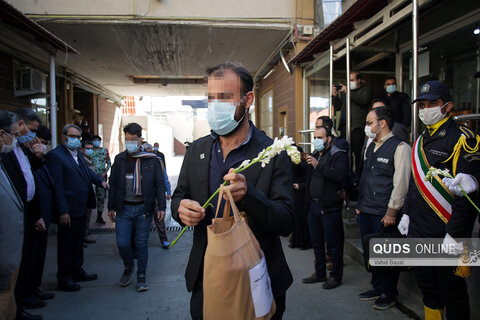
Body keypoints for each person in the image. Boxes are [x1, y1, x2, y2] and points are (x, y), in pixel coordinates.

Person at [171, 62, 294, 319]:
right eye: (211, 98)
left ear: (248, 99)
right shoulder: (197, 150)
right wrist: (180, 210)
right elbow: (179, 197)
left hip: (257, 278)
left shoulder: (272, 153)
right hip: (207, 279)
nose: (215, 106)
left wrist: (250, 195)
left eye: (224, 97)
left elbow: (286, 221)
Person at [399, 81, 480, 320]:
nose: (426, 109)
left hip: (448, 232)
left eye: (432, 104)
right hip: (421, 229)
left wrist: (456, 235)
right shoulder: (420, 140)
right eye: (422, 105)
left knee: (453, 292)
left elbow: (468, 196)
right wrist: (406, 213)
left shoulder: (464, 139)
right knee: (428, 289)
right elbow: (415, 184)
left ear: (447, 106)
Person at [356, 107, 411, 310]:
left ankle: (389, 293)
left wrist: (392, 212)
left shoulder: (400, 147)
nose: (367, 127)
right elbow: (364, 178)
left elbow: (401, 183)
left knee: (387, 255)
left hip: (384, 213)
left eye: (370, 122)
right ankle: (377, 287)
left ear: (383, 123)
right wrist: (359, 205)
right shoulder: (371, 146)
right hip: (367, 209)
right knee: (371, 252)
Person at [46, 124, 108, 292]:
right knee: (67, 245)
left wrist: (101, 182)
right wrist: (62, 210)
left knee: (77, 242)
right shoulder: (56, 156)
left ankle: (77, 270)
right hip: (68, 209)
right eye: (72, 136)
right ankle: (65, 278)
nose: (75, 140)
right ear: (63, 136)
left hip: (81, 207)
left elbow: (87, 173)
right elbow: (57, 186)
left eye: (77, 137)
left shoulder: (77, 155)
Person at [107, 123, 166, 292]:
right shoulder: (120, 160)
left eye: (133, 139)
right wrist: (111, 206)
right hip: (123, 209)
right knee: (122, 243)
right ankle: (128, 266)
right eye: (127, 139)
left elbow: (159, 184)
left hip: (143, 210)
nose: (130, 143)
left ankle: (141, 275)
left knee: (141, 244)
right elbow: (114, 183)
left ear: (140, 139)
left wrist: (161, 206)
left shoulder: (151, 160)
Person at [0, 108, 47, 317]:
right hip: (10, 224)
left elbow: (28, 179)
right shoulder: (6, 154)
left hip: (26, 214)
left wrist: (38, 156)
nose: (29, 135)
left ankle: (22, 303)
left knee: (26, 260)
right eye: (15, 133)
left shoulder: (20, 148)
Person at [302, 126, 348, 289]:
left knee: (334, 244)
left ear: (329, 139)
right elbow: (308, 179)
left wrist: (318, 165)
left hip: (329, 207)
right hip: (313, 205)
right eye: (315, 137)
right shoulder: (313, 155)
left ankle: (336, 276)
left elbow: (339, 176)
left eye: (320, 138)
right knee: (317, 242)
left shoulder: (338, 154)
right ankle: (320, 273)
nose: (317, 141)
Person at [0, 111, 31, 320]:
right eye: (14, 134)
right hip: (3, 253)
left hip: (10, 252)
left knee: (8, 298)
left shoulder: (4, 159)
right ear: (2, 135)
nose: (15, 138)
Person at [332, 71, 372, 175]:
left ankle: (357, 176)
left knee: (357, 153)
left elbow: (363, 101)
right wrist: (335, 96)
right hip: (345, 127)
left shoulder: (365, 90)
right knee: (344, 152)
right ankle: (346, 175)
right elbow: (337, 107)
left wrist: (348, 92)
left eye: (352, 80)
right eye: (348, 80)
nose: (350, 83)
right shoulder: (347, 92)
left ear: (359, 80)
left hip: (357, 127)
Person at [289, 146, 311, 250]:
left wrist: (300, 185)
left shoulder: (305, 164)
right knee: (296, 217)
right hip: (294, 193)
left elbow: (309, 180)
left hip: (303, 194)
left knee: (302, 217)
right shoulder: (291, 162)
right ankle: (297, 240)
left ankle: (304, 241)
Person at [152, 142, 172, 248]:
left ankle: (164, 240)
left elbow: (164, 179)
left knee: (159, 219)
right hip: (143, 198)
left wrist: (168, 192)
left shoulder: (158, 162)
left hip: (156, 196)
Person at [91, 135, 111, 224]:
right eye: (94, 140)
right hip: (90, 177)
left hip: (101, 177)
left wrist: (105, 172)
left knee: (101, 197)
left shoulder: (104, 151)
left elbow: (109, 163)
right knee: (90, 197)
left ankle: (99, 216)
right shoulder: (89, 151)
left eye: (98, 140)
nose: (96, 142)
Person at [81, 140, 96, 244]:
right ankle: (80, 239)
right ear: (82, 149)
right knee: (82, 217)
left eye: (91, 148)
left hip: (90, 191)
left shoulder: (90, 159)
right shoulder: (81, 160)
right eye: (87, 148)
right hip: (83, 193)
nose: (90, 150)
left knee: (87, 216)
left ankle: (85, 235)